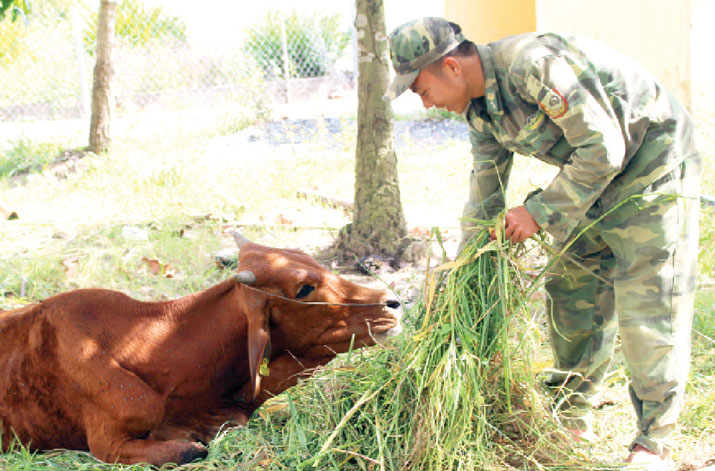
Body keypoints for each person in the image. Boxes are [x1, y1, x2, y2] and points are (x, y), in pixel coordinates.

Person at [384, 17, 701, 471]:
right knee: (571, 289)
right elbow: (484, 194)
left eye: (420, 89)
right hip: (590, 181)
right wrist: (462, 268)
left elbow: (604, 148)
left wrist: (538, 211)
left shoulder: (533, 66)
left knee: (647, 302)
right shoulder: (481, 111)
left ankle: (653, 444)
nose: (426, 103)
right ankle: (573, 415)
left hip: (651, 169)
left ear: (450, 66)